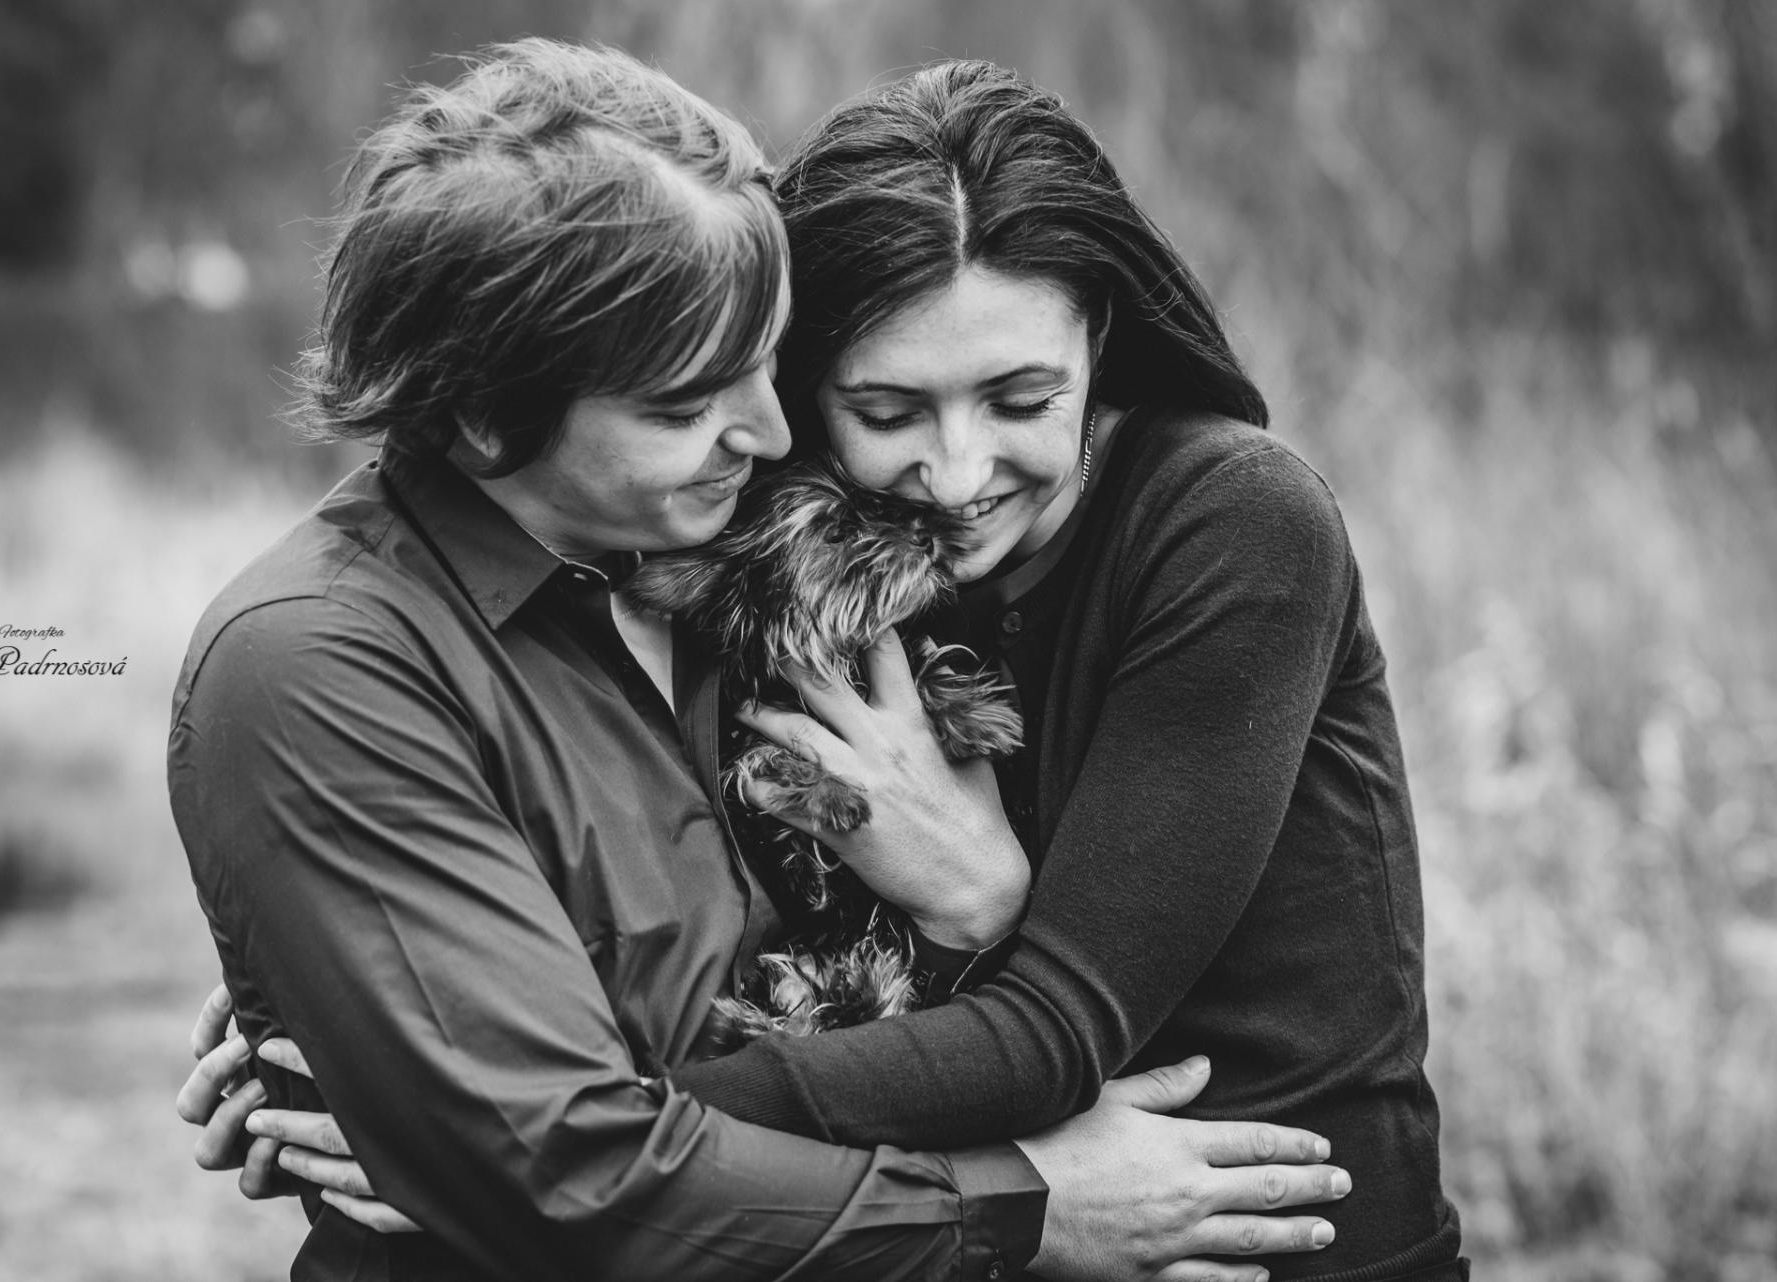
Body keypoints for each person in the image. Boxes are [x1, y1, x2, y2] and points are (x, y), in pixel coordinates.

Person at [187, 56, 1465, 1282]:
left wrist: (467, 1129)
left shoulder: (1228, 525)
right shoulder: (760, 555)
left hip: (1277, 1237)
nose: (955, 474)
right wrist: (403, 1017)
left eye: (1024, 399)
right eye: (886, 410)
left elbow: (1045, 1028)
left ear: (1101, 336)